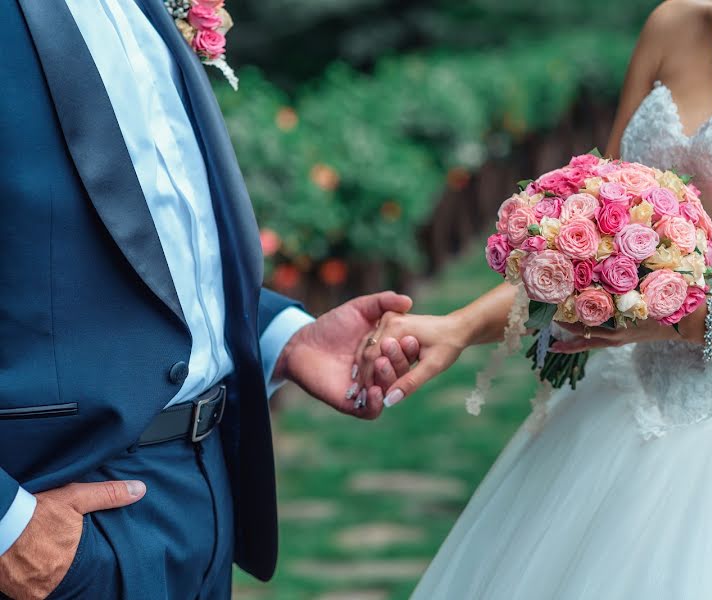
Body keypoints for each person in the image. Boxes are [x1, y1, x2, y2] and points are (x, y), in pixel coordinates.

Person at [359, 0, 712, 597]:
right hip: (622, 418)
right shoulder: (673, 23)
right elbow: (584, 247)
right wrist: (459, 326)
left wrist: (684, 319)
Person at [0, 1, 420, 598]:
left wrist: (280, 337)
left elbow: (156, 232)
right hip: (57, 503)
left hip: (202, 489)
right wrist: (8, 527)